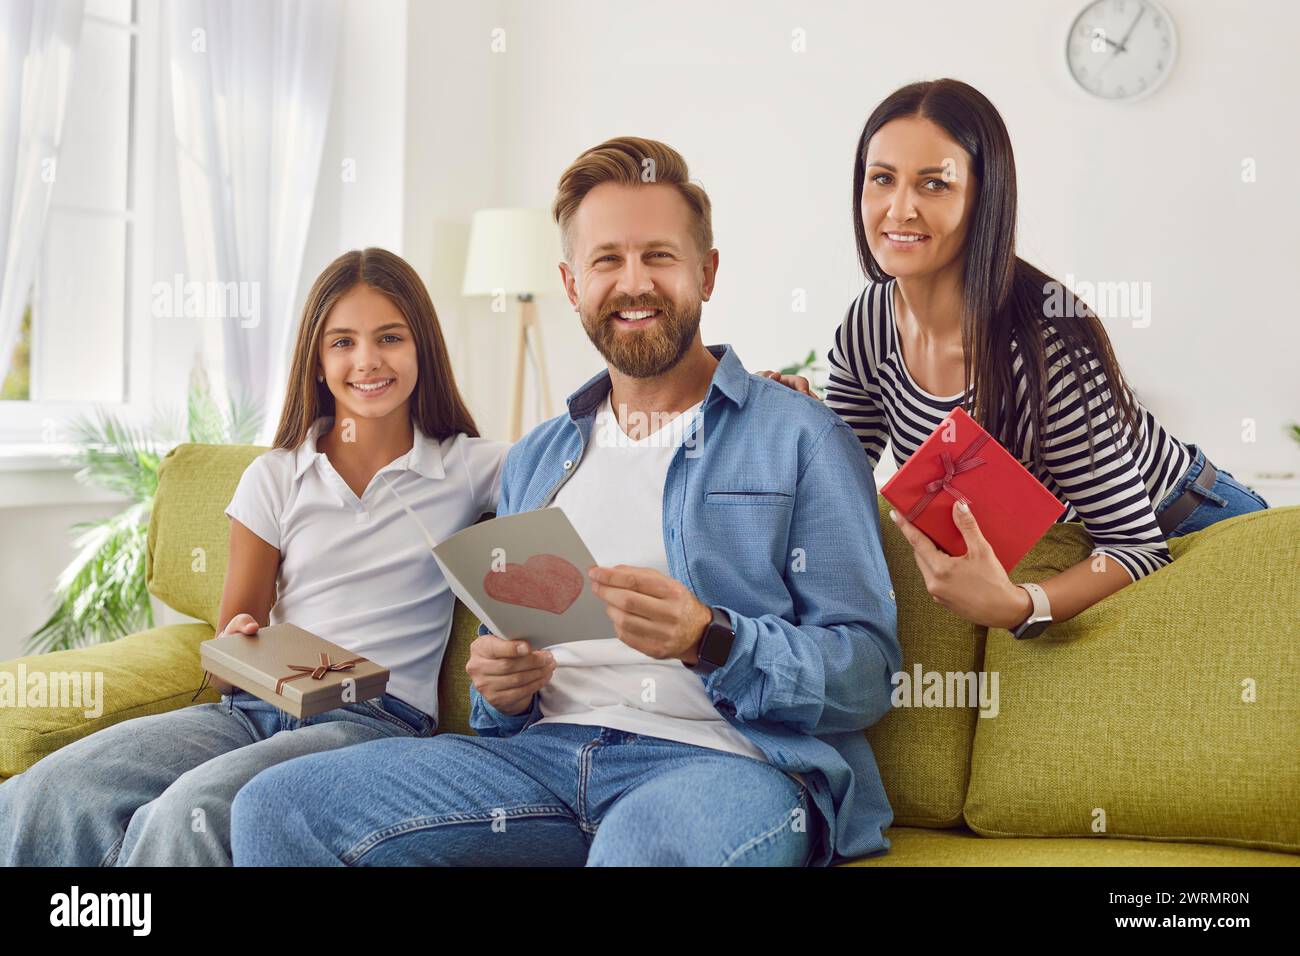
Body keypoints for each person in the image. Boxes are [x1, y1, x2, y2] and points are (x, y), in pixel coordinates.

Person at [229, 136, 901, 867]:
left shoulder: (801, 437)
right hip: (540, 763)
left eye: (659, 256)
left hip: (722, 764)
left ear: (706, 273)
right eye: (607, 260)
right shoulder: (538, 457)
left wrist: (712, 637)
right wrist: (501, 689)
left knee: (640, 851)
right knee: (278, 807)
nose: (633, 282)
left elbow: (867, 673)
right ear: (571, 283)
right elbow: (499, 694)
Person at [0, 248, 508, 865]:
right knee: (60, 783)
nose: (367, 360)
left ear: (422, 348)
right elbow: (225, 658)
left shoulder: (467, 466)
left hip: (373, 721)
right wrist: (241, 642)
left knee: (190, 815)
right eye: (342, 342)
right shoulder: (276, 477)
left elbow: (568, 465)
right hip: (256, 710)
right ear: (317, 363)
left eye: (390, 338)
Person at [762, 79, 1269, 635]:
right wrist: (797, 426)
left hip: (1189, 525)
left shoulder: (1047, 348)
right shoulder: (869, 324)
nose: (898, 208)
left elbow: (1136, 546)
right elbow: (844, 481)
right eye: (882, 178)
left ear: (984, 200)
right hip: (1077, 547)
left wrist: (1017, 608)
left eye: (934, 184)